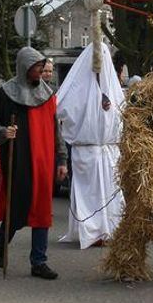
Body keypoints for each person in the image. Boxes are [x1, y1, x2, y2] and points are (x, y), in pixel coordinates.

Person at [0, 47, 68, 279]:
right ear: (24, 67)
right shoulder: (4, 94)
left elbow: (56, 131)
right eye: (37, 68)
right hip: (18, 160)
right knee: (17, 208)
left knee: (42, 210)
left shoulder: (49, 94)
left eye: (42, 67)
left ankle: (39, 261)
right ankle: (1, 243)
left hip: (43, 160)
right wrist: (3, 131)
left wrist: (61, 159)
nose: (41, 72)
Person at [56, 39, 124, 249]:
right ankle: (91, 230)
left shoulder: (112, 89)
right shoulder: (78, 89)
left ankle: (112, 228)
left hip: (109, 151)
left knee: (111, 192)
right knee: (90, 194)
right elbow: (63, 110)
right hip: (86, 152)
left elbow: (121, 112)